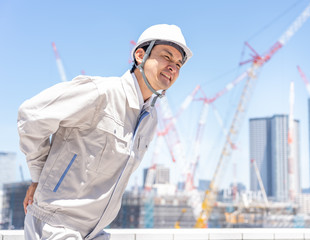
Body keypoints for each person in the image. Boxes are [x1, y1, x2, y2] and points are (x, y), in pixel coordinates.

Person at [17, 24, 192, 240]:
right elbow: (31, 114)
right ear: (140, 55)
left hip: (95, 232)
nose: (173, 67)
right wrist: (37, 178)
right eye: (167, 57)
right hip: (56, 225)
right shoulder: (101, 93)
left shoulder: (150, 118)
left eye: (178, 64)